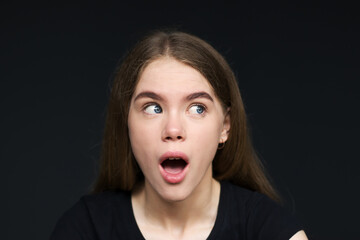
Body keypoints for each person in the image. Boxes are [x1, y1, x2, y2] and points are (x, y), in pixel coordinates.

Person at [50, 31, 308, 240]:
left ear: (225, 126)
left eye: (197, 108)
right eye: (153, 108)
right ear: (127, 123)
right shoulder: (84, 228)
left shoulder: (269, 230)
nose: (173, 130)